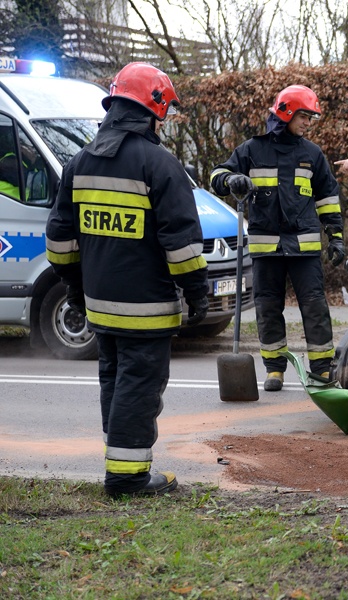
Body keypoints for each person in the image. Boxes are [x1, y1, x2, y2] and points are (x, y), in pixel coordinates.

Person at [45, 62, 209, 497]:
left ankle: (119, 462)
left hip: (100, 306)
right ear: (152, 109)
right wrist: (198, 293)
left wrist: (76, 290)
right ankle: (128, 477)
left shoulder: (78, 163)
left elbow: (60, 242)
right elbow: (183, 246)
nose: (165, 120)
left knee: (115, 382)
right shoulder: (160, 165)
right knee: (138, 385)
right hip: (148, 308)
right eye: (164, 111)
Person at [209, 85, 344, 392]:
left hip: (304, 248)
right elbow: (216, 175)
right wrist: (232, 179)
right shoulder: (252, 150)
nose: (308, 123)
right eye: (304, 116)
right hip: (265, 248)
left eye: (311, 117)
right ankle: (274, 369)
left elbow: (328, 199)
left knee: (314, 307)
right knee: (268, 308)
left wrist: (336, 237)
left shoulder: (312, 154)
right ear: (285, 113)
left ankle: (322, 369)